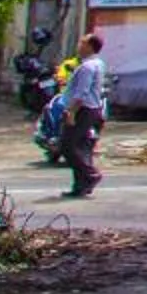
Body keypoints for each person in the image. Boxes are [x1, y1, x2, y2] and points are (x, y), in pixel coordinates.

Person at [59, 32, 108, 198]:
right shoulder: (97, 64)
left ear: (89, 46)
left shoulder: (88, 67)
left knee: (67, 145)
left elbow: (81, 93)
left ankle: (90, 175)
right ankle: (80, 185)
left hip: (83, 110)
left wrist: (72, 112)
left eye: (82, 43)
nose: (79, 45)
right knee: (80, 147)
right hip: (91, 109)